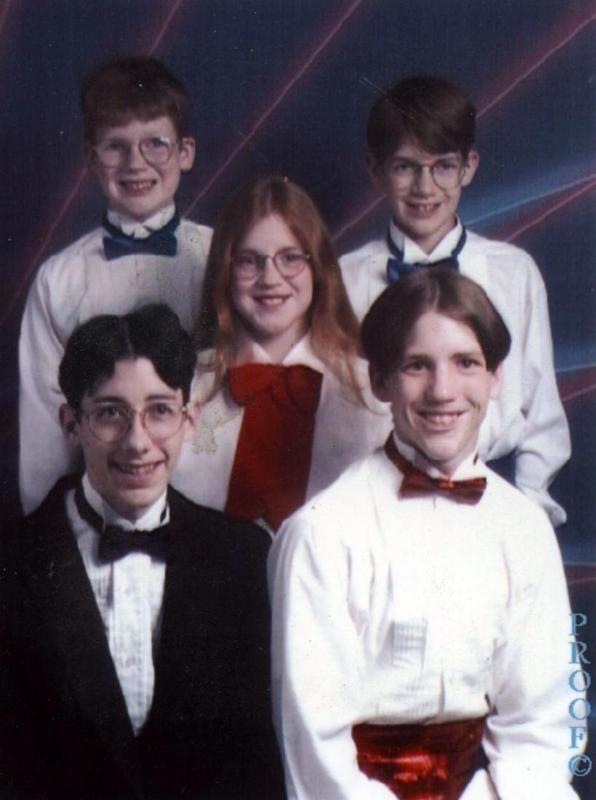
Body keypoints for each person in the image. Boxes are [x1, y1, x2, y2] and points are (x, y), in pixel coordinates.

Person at [269, 270, 581, 800]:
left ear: (496, 378)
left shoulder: (523, 527)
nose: (442, 391)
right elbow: (315, 747)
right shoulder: (321, 534)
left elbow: (541, 725)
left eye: (466, 363)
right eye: (417, 365)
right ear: (381, 381)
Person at [1, 304, 284, 800]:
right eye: (110, 413)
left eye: (159, 411)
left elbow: (254, 765)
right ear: (71, 423)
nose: (137, 442)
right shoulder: (13, 562)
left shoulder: (241, 557)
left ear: (190, 419)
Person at [339, 75, 570, 526]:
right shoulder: (343, 279)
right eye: (405, 167)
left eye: (443, 166)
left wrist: (523, 513)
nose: (425, 188)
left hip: (489, 500)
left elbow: (541, 415)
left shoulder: (514, 272)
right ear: (375, 169)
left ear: (469, 167)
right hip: (378, 505)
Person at [19, 56, 212, 514]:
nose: (135, 163)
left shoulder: (221, 259)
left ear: (185, 152)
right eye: (115, 147)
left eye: (155, 144)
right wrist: (50, 531)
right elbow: (45, 432)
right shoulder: (58, 279)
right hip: (101, 508)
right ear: (90, 157)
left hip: (210, 501)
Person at [172, 175, 391, 533]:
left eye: (290, 258)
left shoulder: (373, 395)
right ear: (225, 271)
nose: (270, 279)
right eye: (249, 261)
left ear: (318, 267)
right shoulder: (186, 387)